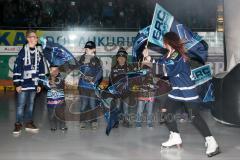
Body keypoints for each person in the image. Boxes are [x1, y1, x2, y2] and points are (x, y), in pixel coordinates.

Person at [155, 32, 220, 157]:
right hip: (176, 90)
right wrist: (149, 59)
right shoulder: (168, 55)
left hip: (187, 90)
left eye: (164, 41)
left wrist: (150, 65)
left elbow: (166, 71)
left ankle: (212, 142)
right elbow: (160, 62)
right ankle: (175, 137)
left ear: (167, 42)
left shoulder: (178, 56)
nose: (163, 43)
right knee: (166, 112)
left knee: (194, 116)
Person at [12, 29, 45, 135]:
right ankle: (18, 124)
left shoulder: (39, 54)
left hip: (33, 84)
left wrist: (40, 83)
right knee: (21, 105)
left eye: (36, 37)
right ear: (28, 39)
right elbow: (17, 68)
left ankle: (29, 123)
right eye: (34, 37)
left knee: (31, 104)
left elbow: (41, 70)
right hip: (23, 84)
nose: (36, 39)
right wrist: (17, 84)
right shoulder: (22, 53)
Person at [78, 41, 103, 130]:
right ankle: (82, 121)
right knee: (84, 105)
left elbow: (100, 73)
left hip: (92, 87)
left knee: (93, 105)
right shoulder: (82, 58)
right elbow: (79, 69)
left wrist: (94, 80)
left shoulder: (97, 60)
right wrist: (83, 63)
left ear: (94, 49)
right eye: (86, 48)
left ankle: (94, 121)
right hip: (83, 86)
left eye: (89, 48)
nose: (87, 50)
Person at [109, 47, 133, 127]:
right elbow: (111, 80)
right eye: (119, 58)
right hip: (117, 93)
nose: (121, 59)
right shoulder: (113, 69)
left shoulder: (130, 68)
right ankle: (116, 122)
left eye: (123, 58)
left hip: (126, 92)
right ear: (117, 59)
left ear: (125, 58)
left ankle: (126, 121)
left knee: (126, 108)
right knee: (117, 107)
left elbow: (133, 79)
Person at [135, 47, 157, 129]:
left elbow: (156, 76)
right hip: (142, 90)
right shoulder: (140, 64)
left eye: (147, 52)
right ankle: (138, 122)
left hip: (151, 91)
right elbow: (138, 77)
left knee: (150, 109)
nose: (145, 53)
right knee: (140, 108)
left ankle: (149, 123)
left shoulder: (153, 64)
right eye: (144, 53)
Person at [46, 65, 67, 132]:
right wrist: (49, 82)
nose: (54, 72)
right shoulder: (46, 78)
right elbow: (45, 85)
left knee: (61, 114)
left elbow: (61, 85)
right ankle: (53, 125)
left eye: (56, 70)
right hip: (50, 100)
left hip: (60, 100)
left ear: (58, 71)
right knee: (51, 114)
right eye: (52, 70)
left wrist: (54, 82)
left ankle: (62, 125)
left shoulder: (61, 78)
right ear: (49, 71)